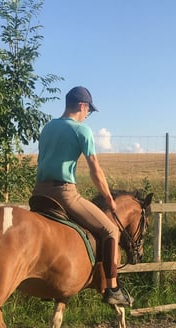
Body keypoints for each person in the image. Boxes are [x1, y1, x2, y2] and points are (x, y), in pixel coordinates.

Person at [33, 86, 133, 307]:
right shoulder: (81, 130)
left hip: (38, 193)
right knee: (110, 230)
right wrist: (109, 199)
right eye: (89, 110)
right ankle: (113, 289)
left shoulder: (48, 127)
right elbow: (95, 170)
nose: (88, 115)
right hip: (64, 193)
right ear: (82, 106)